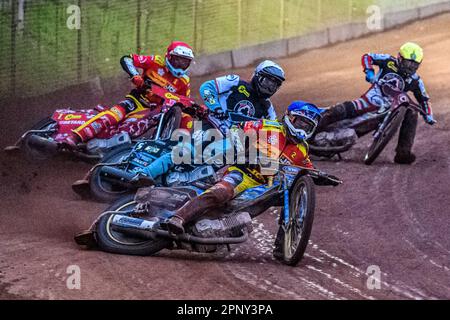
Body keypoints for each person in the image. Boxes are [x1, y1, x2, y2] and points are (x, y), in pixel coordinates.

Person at [165, 101, 321, 244]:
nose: (302, 129)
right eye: (300, 123)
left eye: (307, 127)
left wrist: (321, 176)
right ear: (289, 117)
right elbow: (236, 128)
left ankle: (283, 245)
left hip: (269, 186)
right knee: (222, 192)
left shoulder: (302, 149)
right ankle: (178, 217)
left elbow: (308, 168)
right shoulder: (267, 126)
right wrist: (246, 151)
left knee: (292, 193)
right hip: (244, 173)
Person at [316, 42, 435, 164]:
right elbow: (367, 56)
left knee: (412, 111)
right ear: (400, 57)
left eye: (414, 65)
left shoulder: (416, 80)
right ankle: (312, 128)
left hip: (386, 112)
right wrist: (369, 72)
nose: (410, 67)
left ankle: (403, 152)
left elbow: (424, 99)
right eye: (408, 62)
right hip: (368, 101)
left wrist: (429, 115)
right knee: (340, 110)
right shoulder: (389, 61)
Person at [62, 41, 195, 147]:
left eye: (185, 62)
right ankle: (75, 136)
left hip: (153, 112)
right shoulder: (156, 61)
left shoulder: (184, 81)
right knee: (111, 117)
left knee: (131, 130)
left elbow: (184, 101)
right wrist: (135, 75)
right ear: (169, 56)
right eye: (178, 60)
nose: (180, 65)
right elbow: (127, 59)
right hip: (135, 101)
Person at [199, 60, 285, 121]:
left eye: (273, 85)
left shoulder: (267, 106)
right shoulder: (235, 82)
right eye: (266, 82)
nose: (268, 88)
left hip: (239, 142)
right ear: (257, 75)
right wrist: (216, 108)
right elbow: (206, 88)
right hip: (214, 125)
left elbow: (274, 130)